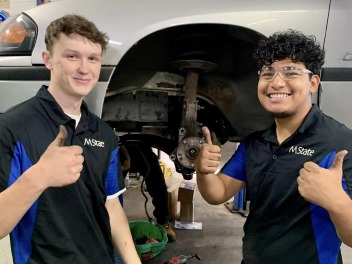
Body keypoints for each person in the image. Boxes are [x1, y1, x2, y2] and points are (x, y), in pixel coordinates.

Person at [195, 29, 352, 263]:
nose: (276, 82)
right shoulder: (256, 142)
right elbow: (217, 193)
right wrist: (203, 170)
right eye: (267, 73)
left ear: (313, 82)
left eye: (290, 72)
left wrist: (336, 201)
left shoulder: (339, 143)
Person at [0, 14, 140, 264]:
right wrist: (39, 176)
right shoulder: (12, 128)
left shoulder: (104, 134)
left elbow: (112, 207)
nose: (84, 69)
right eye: (72, 56)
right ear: (48, 60)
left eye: (93, 58)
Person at [119, 142, 177, 242]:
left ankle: (163, 222)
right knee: (113, 191)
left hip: (141, 145)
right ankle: (112, 225)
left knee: (157, 183)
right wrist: (126, 155)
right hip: (118, 148)